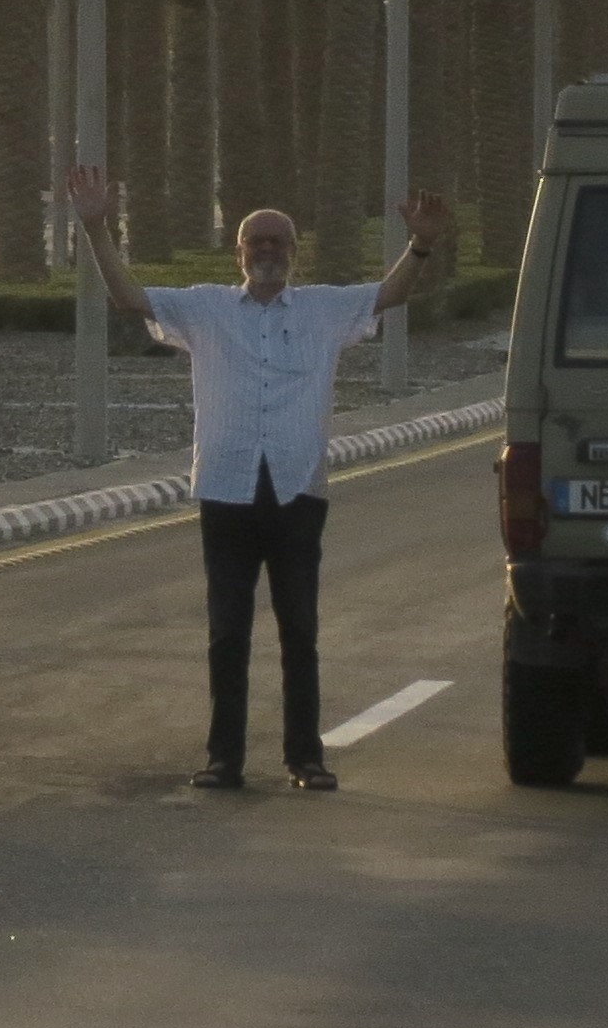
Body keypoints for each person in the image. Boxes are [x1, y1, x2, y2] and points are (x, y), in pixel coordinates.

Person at [64, 164, 454, 793]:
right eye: (257, 240)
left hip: (298, 489)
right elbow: (130, 298)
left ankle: (306, 757)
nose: (267, 250)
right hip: (226, 488)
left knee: (299, 630)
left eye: (279, 241)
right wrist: (96, 228)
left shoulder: (325, 309)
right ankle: (224, 758)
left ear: (295, 253)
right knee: (227, 632)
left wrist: (422, 245)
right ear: (238, 252)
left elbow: (390, 295)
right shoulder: (206, 309)